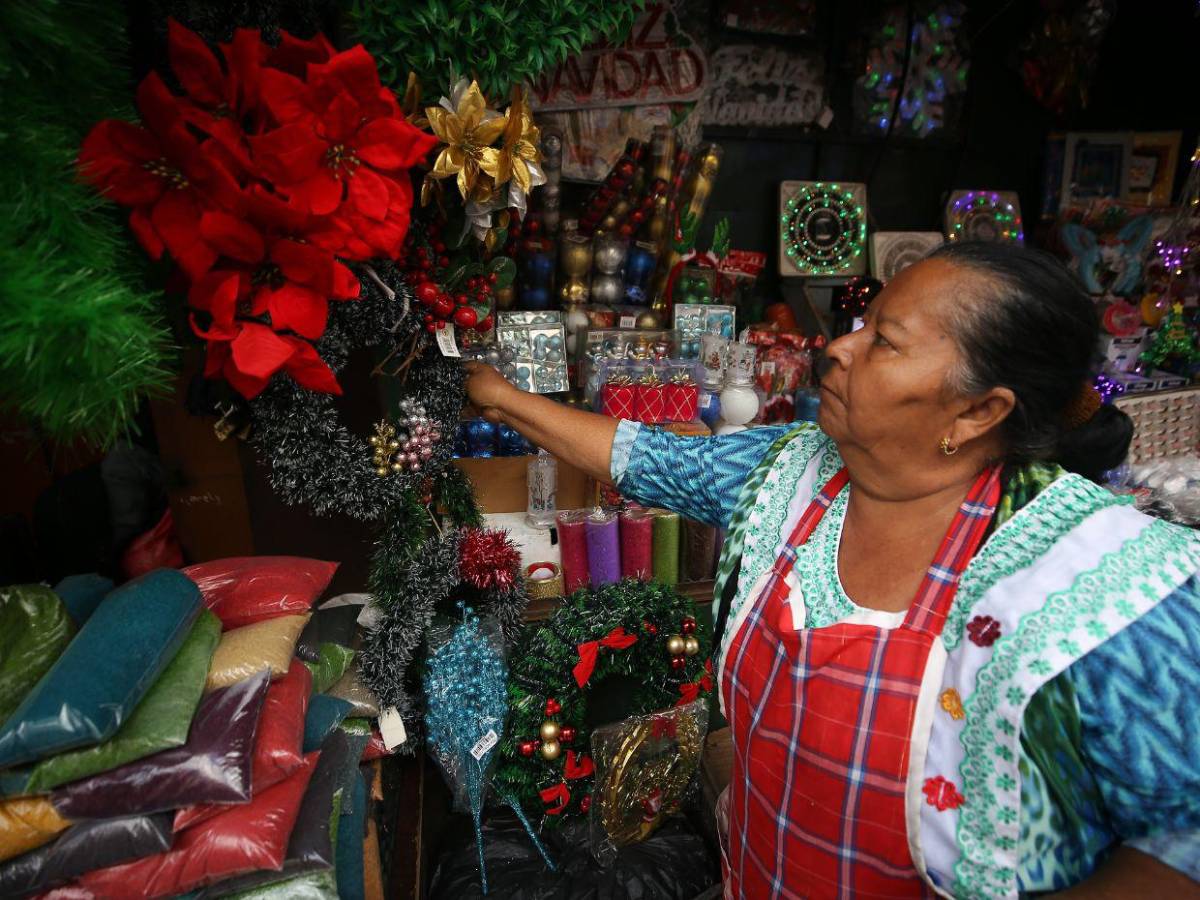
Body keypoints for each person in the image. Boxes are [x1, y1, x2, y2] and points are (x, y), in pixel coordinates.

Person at [465, 241, 1200, 899]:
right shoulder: (793, 471)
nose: (839, 349)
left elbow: (1183, 842)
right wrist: (501, 398)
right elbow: (649, 459)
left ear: (978, 411)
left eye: (885, 341)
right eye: (862, 324)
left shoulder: (1105, 581)